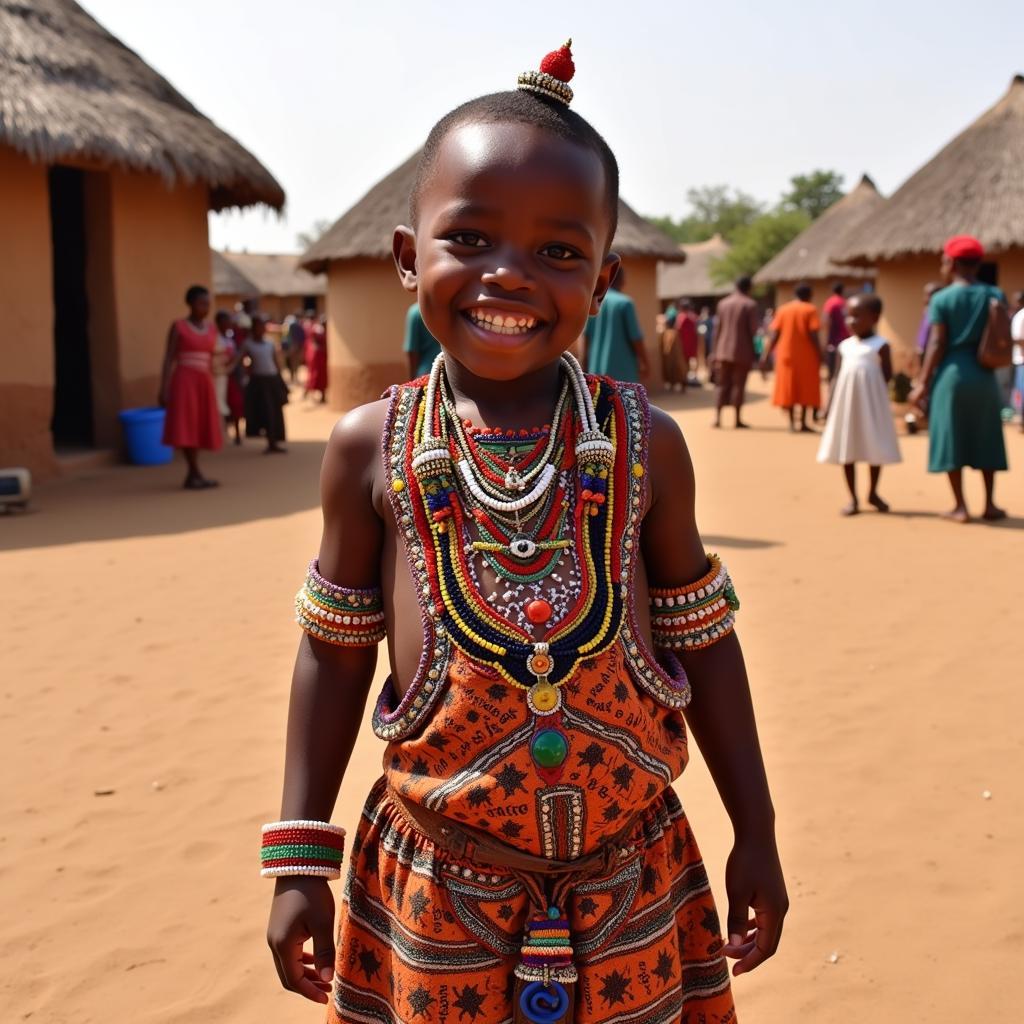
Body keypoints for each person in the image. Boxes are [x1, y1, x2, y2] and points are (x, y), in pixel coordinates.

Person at [264, 42, 785, 1024]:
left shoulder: (645, 446)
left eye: (557, 252)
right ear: (407, 256)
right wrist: (298, 856)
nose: (510, 277)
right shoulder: (368, 449)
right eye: (470, 240)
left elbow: (704, 641)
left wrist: (754, 827)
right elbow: (333, 656)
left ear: (604, 277)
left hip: (633, 880)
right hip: (432, 892)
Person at [909, 235, 1009, 523]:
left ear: (951, 262)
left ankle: (960, 506)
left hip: (951, 376)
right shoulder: (995, 294)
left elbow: (937, 343)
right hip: (984, 376)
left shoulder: (941, 299)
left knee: (952, 438)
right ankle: (990, 504)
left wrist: (923, 383)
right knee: (986, 438)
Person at [817, 293, 901, 515]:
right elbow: (835, 376)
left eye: (857, 317)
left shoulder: (881, 345)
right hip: (847, 407)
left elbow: (887, 376)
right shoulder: (844, 347)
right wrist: (829, 404)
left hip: (872, 406)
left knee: (875, 446)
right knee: (848, 447)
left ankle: (872, 492)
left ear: (874, 318)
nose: (851, 322)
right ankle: (852, 498)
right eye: (848, 317)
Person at [158, 285, 222, 489]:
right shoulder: (178, 327)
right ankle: (194, 472)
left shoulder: (212, 329)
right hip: (184, 382)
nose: (205, 308)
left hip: (204, 381)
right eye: (201, 303)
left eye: (208, 304)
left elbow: (214, 357)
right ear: (190, 304)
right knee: (187, 425)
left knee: (200, 425)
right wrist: (163, 387)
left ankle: (194, 473)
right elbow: (168, 358)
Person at [762, 282, 821, 432]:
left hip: (786, 355)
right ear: (809, 295)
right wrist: (821, 353)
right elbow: (814, 334)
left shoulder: (783, 310)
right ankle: (802, 423)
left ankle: (791, 424)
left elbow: (775, 334)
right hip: (807, 356)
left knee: (788, 388)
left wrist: (766, 354)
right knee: (806, 388)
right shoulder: (810, 309)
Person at [583, 265, 648, 382]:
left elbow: (585, 338)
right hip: (623, 375)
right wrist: (645, 362)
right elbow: (636, 338)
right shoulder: (625, 303)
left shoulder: (593, 303)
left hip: (596, 375)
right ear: (622, 280)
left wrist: (583, 365)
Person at [712, 276, 759, 428]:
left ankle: (718, 419)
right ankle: (737, 420)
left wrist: (714, 351)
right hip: (741, 351)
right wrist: (756, 352)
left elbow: (717, 330)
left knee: (721, 384)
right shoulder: (749, 304)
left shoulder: (723, 303)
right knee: (739, 385)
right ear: (749, 288)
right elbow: (753, 331)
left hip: (722, 351)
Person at [243, 314, 287, 453]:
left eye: (262, 326)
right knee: (265, 412)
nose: (261, 329)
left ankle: (274, 442)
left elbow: (275, 362)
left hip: (272, 380)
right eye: (258, 326)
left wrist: (281, 380)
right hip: (259, 382)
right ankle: (270, 442)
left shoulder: (269, 343)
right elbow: (239, 360)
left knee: (275, 412)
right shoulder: (248, 344)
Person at [213, 310, 244, 446]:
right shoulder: (214, 339)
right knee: (218, 405)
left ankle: (237, 434)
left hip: (231, 376)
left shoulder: (231, 338)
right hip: (218, 376)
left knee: (235, 404)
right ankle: (219, 434)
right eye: (225, 321)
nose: (228, 324)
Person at [403, 301, 442, 378]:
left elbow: (412, 351)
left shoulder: (416, 312)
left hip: (425, 374)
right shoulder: (447, 310)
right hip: (447, 374)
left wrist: (411, 381)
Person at [821, 282, 849, 384]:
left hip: (834, 341)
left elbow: (825, 320)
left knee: (832, 370)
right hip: (846, 340)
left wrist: (825, 339)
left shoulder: (830, 302)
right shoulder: (845, 303)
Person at [304, 313, 329, 403]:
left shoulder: (324, 331)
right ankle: (307, 393)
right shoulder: (316, 330)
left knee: (322, 377)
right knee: (314, 375)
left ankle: (322, 397)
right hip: (316, 357)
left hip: (322, 357)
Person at [1012, 290, 1024, 432]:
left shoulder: (1021, 316)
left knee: (1021, 393)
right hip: (1019, 360)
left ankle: (1022, 421)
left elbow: (1020, 339)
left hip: (1022, 360)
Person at [697, 304, 715, 383]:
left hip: (710, 342)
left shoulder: (711, 321)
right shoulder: (700, 321)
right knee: (703, 358)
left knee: (709, 358)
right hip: (702, 343)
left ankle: (711, 375)